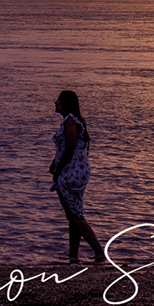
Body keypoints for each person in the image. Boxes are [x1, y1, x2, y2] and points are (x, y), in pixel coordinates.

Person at [49, 90, 104, 263]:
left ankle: (99, 252)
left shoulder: (70, 121)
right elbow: (68, 146)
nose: (55, 102)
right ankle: (73, 255)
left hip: (71, 170)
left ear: (65, 103)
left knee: (74, 214)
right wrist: (54, 162)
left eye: (58, 100)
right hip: (77, 168)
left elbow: (70, 147)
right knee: (72, 213)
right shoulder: (75, 119)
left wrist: (58, 169)